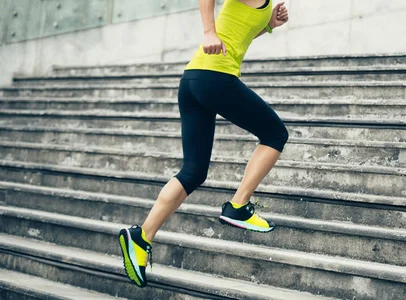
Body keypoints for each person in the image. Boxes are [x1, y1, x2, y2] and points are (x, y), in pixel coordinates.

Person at [118, 0, 289, 288]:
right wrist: (208, 31)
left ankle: (141, 237)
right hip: (216, 78)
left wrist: (268, 25)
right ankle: (238, 205)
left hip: (194, 79)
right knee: (275, 134)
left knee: (194, 172)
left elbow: (237, 33)